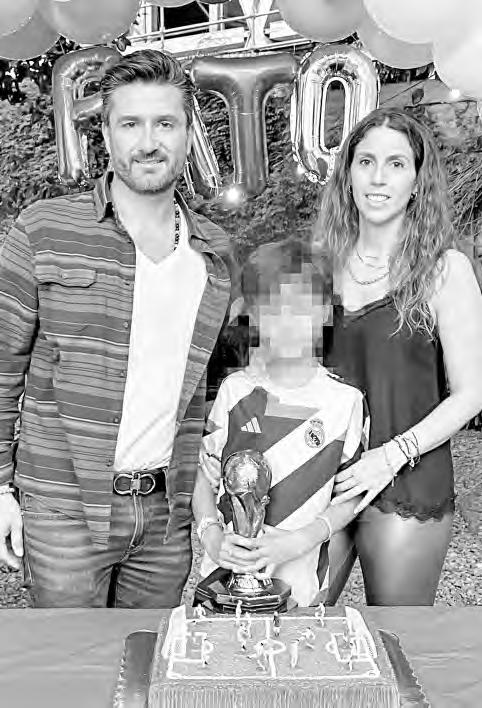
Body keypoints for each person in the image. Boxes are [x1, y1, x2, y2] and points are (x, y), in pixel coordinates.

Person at [0, 49, 237, 608]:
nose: (148, 142)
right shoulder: (42, 230)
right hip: (62, 509)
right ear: (105, 134)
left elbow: (209, 388)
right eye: (130, 123)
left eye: (165, 123)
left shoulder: (215, 254)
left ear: (188, 133)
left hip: (165, 515)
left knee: (146, 657)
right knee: (70, 659)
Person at [315, 106, 482, 605]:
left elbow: (472, 392)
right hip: (320, 476)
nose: (378, 178)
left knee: (399, 634)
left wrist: (389, 456)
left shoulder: (445, 270)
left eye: (396, 163)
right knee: (290, 630)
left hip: (407, 478)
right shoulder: (319, 264)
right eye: (365, 162)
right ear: (347, 174)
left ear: (417, 180)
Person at [192, 239, 370, 607]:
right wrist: (211, 536)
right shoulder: (234, 392)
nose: (288, 323)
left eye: (301, 308)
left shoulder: (345, 402)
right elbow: (203, 478)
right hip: (223, 581)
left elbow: (350, 497)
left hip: (301, 585)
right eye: (273, 309)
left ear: (325, 312)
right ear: (254, 316)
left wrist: (300, 540)